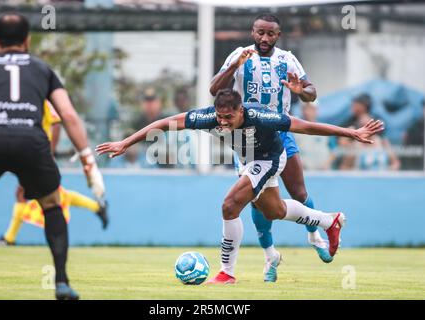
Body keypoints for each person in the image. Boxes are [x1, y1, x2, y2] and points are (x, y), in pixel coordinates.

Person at [96, 89, 384, 284]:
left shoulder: (261, 117)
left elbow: (305, 126)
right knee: (274, 210)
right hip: (247, 161)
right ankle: (328, 220)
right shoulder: (208, 117)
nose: (222, 122)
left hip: (270, 158)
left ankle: (226, 273)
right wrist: (125, 142)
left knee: (229, 205)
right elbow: (167, 121)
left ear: (240, 110)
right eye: (219, 117)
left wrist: (351, 132)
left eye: (228, 117)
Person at [0, 14, 105, 300]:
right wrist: (88, 161)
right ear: (27, 41)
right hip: (31, 142)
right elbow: (68, 115)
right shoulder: (42, 69)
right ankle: (61, 283)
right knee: (51, 205)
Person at [209, 13, 331, 281]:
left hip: (281, 132)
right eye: (260, 33)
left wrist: (301, 91)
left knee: (298, 191)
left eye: (270, 34)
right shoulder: (239, 55)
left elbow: (312, 93)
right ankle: (270, 257)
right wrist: (232, 68)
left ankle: (315, 236)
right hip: (248, 138)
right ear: (253, 32)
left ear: (278, 35)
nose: (264, 38)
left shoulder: (287, 59)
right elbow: (214, 89)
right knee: (259, 204)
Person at [0, 101, 108, 246]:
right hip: (34, 151)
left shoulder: (43, 97)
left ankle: (9, 238)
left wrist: (49, 153)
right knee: (45, 193)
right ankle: (97, 207)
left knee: (35, 193)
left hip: (41, 153)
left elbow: (56, 123)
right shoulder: (30, 97)